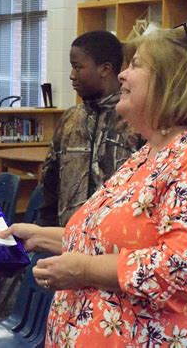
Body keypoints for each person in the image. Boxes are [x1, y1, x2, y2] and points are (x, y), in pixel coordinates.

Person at [0, 27, 187, 346]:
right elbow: (112, 240)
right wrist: (40, 236)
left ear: (172, 82)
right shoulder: (152, 152)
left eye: (136, 65)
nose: (122, 74)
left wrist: (83, 269)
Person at [37, 30, 140, 227]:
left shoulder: (135, 122)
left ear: (105, 69)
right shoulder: (70, 119)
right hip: (64, 239)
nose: (71, 76)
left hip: (112, 243)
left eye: (78, 67)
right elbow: (50, 185)